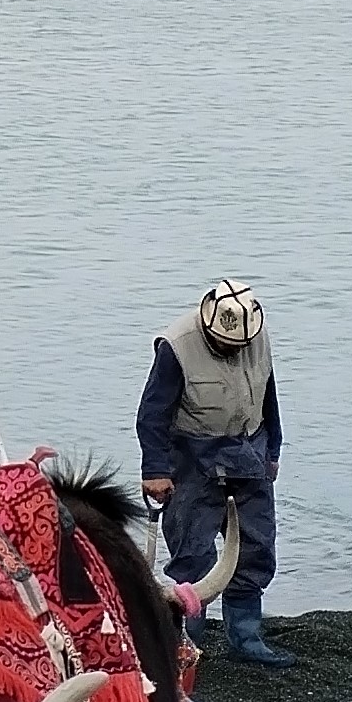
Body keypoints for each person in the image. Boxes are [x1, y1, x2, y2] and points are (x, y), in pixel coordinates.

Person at [137, 277, 292, 668]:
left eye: (237, 346)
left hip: (249, 448)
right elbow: (152, 414)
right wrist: (156, 469)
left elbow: (267, 394)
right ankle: (188, 639)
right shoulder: (177, 347)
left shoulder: (256, 335)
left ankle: (245, 636)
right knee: (193, 553)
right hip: (191, 456)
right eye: (224, 344)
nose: (232, 350)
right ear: (208, 326)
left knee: (257, 545)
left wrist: (273, 447)